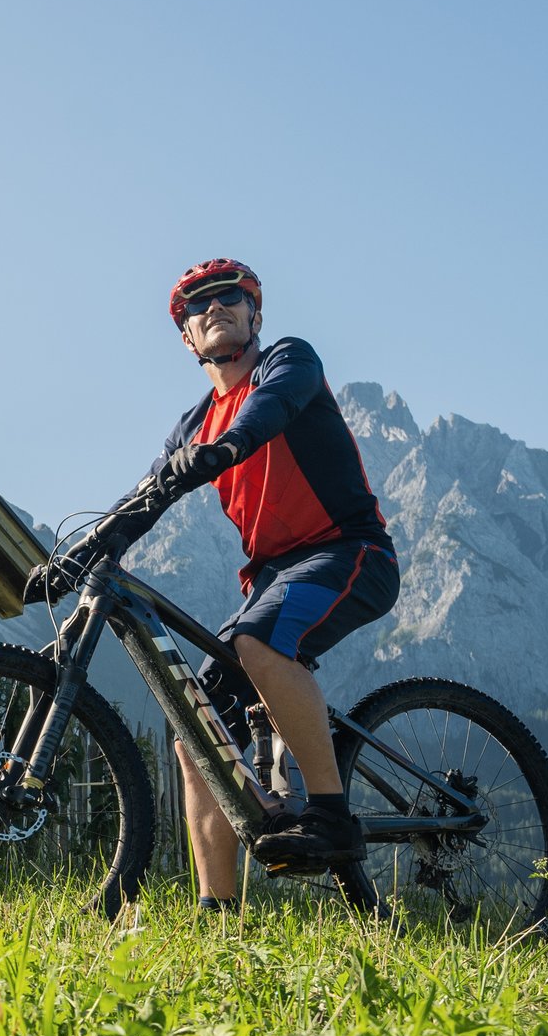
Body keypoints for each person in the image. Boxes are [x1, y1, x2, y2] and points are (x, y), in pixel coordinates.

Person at [30, 258, 400, 904]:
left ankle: (330, 817)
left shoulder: (288, 360)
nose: (214, 309)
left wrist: (228, 446)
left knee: (259, 642)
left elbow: (271, 409)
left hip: (348, 553)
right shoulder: (193, 422)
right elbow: (145, 498)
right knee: (197, 723)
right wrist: (80, 554)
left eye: (230, 297)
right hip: (274, 575)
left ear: (255, 314)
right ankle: (217, 912)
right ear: (186, 339)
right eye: (195, 308)